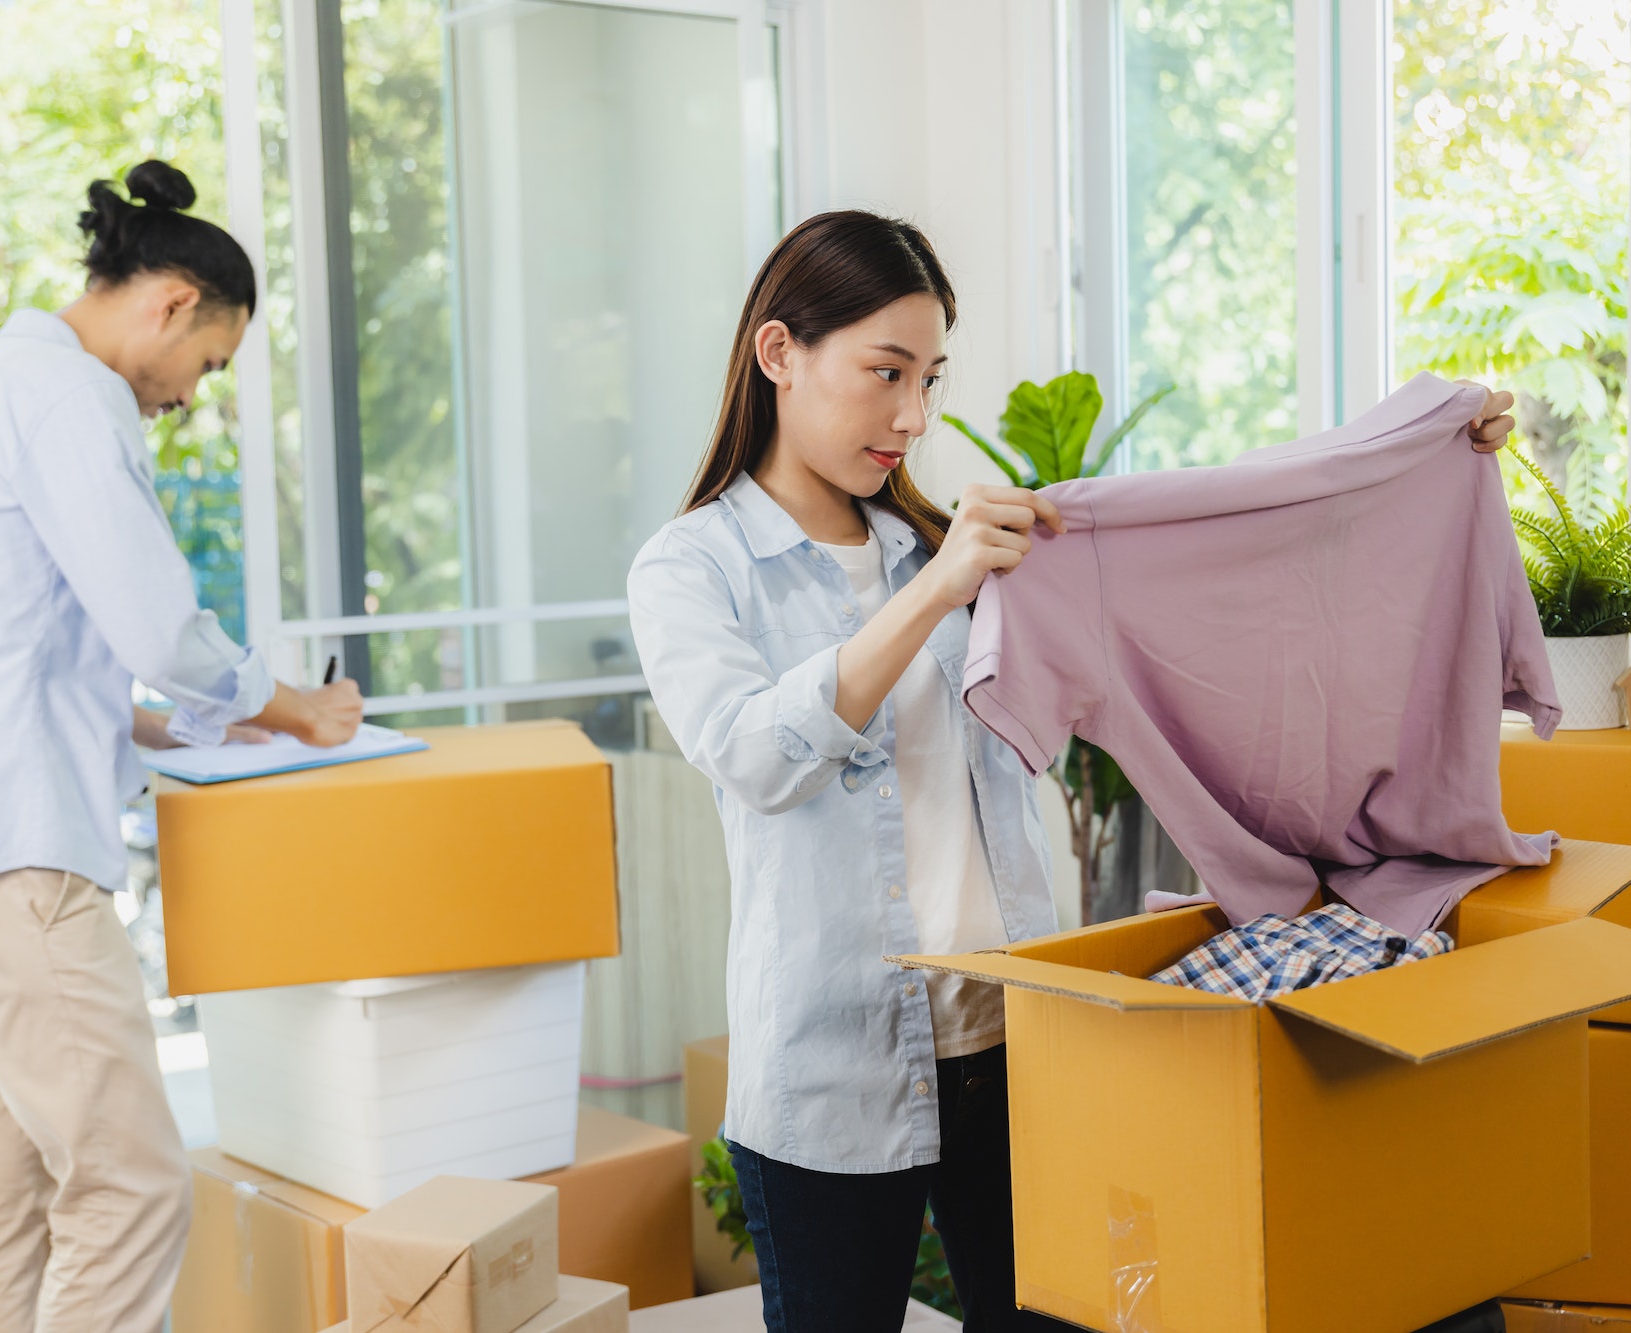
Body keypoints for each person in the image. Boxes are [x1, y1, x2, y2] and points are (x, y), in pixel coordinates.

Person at [627, 209, 1517, 1332]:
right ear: (778, 355)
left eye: (931, 378)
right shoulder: (694, 567)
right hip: (827, 1070)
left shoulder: (957, 549)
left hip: (1012, 1041)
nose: (912, 416)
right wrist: (935, 589)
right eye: (883, 372)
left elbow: (1215, 527)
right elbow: (754, 755)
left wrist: (1422, 441)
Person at [0, 159, 363, 1333]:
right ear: (174, 301)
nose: (194, 392)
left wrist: (207, 716)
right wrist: (290, 704)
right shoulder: (65, 397)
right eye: (212, 361)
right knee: (133, 1182)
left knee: (9, 1180)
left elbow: (12, 653)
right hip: (18, 853)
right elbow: (153, 627)